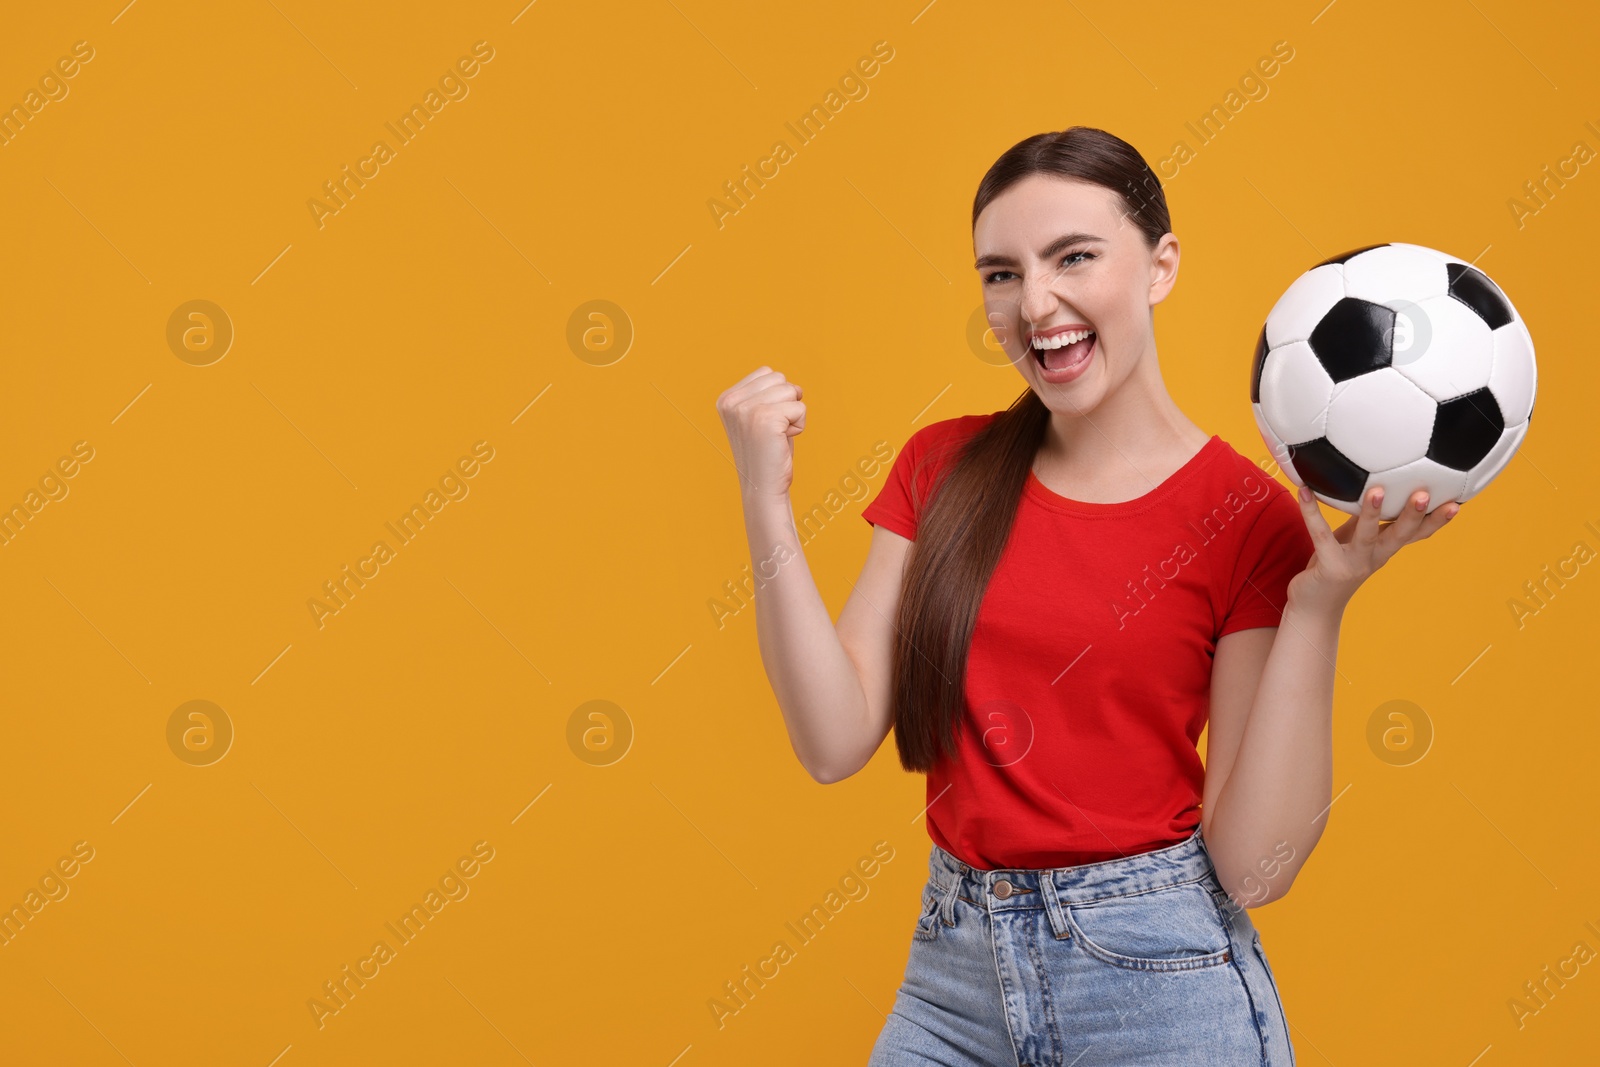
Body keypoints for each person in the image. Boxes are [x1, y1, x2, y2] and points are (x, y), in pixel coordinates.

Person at [714, 126, 1458, 1065]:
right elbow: (832, 740)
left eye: (1074, 257)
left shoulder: (1248, 518)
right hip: (953, 977)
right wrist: (763, 500)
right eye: (1001, 273)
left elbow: (1254, 867)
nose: (1036, 304)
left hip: (1161, 985)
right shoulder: (941, 468)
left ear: (1160, 264)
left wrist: (1321, 605)